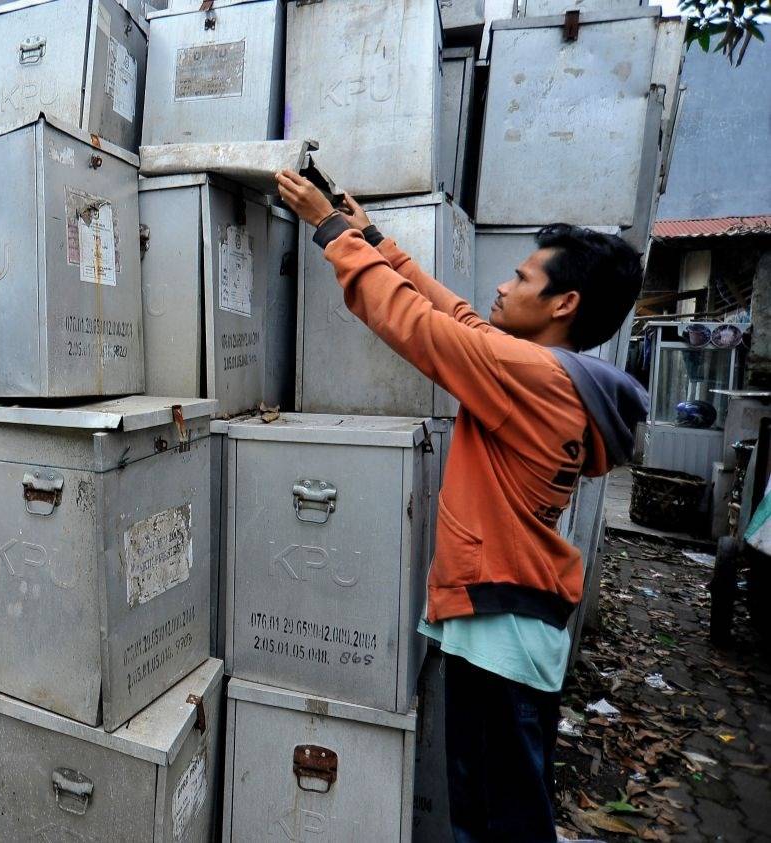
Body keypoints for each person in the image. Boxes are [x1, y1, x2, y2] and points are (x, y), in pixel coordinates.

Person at [275, 170, 649, 842]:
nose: (503, 286)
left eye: (522, 278)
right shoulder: (551, 372)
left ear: (564, 302)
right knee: (504, 805)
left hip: (499, 628)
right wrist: (380, 243)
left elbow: (419, 329)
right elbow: (462, 322)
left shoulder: (533, 376)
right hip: (518, 618)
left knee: (493, 820)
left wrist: (329, 231)